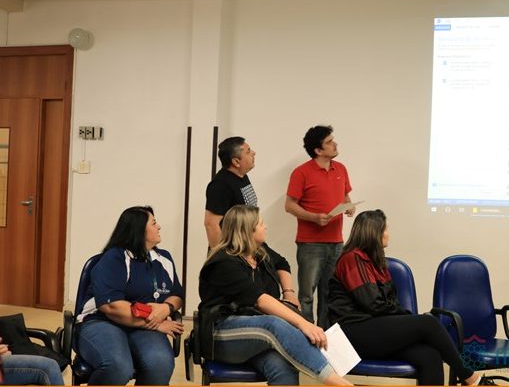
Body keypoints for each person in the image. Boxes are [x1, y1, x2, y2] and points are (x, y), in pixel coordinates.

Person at [328, 209, 488, 386]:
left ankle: (469, 378)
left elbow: (389, 302)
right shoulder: (352, 259)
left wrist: (406, 320)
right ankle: (470, 377)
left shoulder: (376, 262)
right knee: (428, 323)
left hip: (374, 330)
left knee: (430, 356)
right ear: (373, 232)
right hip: (352, 334)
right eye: (385, 229)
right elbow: (373, 304)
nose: (388, 234)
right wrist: (409, 319)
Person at [198, 204, 351, 385]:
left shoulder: (258, 251)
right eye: (261, 223)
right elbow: (260, 300)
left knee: (283, 368)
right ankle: (339, 383)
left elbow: (282, 263)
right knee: (273, 324)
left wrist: (289, 293)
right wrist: (304, 324)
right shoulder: (224, 262)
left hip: (256, 333)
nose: (266, 226)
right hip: (221, 334)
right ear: (247, 231)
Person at [75, 206, 185, 385]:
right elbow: (112, 307)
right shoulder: (114, 258)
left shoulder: (164, 258)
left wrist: (167, 308)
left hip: (143, 325)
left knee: (160, 364)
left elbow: (177, 295)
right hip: (102, 321)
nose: (159, 227)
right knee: (118, 366)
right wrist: (155, 321)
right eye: (154, 223)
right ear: (139, 229)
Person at [285, 125, 354, 328]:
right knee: (307, 295)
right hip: (310, 244)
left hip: (336, 242)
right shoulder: (301, 173)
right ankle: (307, 334)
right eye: (329, 142)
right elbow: (289, 205)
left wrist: (349, 206)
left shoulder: (341, 169)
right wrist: (314, 218)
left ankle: (325, 334)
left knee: (330, 293)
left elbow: (345, 195)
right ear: (318, 150)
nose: (335, 144)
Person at [204, 136, 258, 248]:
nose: (254, 153)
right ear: (236, 162)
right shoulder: (220, 185)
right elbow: (211, 224)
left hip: (247, 246)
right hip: (232, 250)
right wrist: (221, 256)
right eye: (248, 151)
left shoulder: (242, 176)